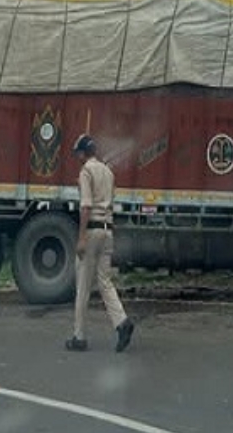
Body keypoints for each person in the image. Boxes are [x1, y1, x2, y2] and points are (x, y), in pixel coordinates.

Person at [65, 134, 135, 353]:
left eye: (78, 152)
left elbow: (86, 206)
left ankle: (79, 337)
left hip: (93, 230)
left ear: (84, 153)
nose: (77, 156)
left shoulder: (86, 171)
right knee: (105, 282)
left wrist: (81, 237)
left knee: (83, 287)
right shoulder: (108, 171)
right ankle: (122, 322)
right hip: (108, 231)